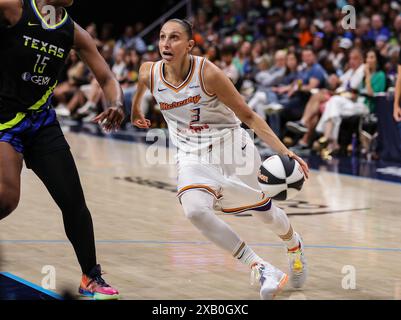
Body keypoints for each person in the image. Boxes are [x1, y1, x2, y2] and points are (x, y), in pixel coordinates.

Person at [131, 19, 309, 300]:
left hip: (231, 147)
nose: (166, 43)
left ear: (189, 45)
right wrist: (134, 110)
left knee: (265, 213)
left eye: (174, 38)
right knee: (194, 210)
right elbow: (142, 85)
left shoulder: (208, 73)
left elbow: (248, 115)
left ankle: (294, 244)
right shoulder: (149, 71)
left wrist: (285, 152)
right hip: (191, 154)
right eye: (162, 37)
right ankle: (261, 267)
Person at [0, 0, 125, 300]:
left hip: (42, 123)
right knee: (6, 200)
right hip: (5, 119)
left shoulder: (73, 32)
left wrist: (117, 103)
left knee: (73, 201)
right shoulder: (13, 8)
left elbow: (107, 78)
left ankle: (90, 278)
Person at [315, 49, 386, 155]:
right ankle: (332, 141)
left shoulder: (380, 75)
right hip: (356, 103)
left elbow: (372, 94)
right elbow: (357, 91)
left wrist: (367, 76)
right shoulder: (361, 73)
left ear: (377, 60)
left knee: (334, 103)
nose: (368, 60)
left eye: (371, 57)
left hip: (367, 107)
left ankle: (327, 138)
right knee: (334, 103)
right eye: (367, 58)